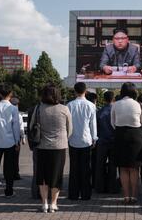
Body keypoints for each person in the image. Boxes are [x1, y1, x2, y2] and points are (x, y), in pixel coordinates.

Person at [31, 84, 72, 213]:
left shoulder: (38, 108)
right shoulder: (64, 109)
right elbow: (69, 129)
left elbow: (32, 126)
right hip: (59, 147)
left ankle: (44, 204)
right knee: (56, 175)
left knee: (42, 176)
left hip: (42, 146)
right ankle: (54, 203)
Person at [111, 82, 142, 204]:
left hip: (120, 135)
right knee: (134, 168)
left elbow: (112, 122)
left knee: (123, 168)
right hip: (136, 136)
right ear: (134, 92)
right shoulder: (139, 105)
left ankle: (126, 196)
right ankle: (134, 196)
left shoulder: (115, 104)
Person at [0, 84, 20, 197]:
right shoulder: (13, 108)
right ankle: (9, 190)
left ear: (0, 94)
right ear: (10, 94)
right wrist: (17, 142)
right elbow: (15, 127)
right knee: (9, 168)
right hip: (10, 142)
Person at [67, 82, 98, 200]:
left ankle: (73, 194)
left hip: (73, 140)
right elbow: (93, 124)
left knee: (74, 168)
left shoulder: (69, 105)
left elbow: (68, 124)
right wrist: (94, 138)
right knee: (86, 169)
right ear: (85, 91)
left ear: (75, 91)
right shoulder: (91, 105)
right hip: (86, 140)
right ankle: (86, 194)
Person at [95, 91, 118, 193]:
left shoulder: (99, 112)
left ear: (104, 99)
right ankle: (112, 187)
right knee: (113, 165)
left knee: (100, 165)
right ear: (113, 99)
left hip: (102, 141)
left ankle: (100, 187)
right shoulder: (116, 111)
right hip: (114, 142)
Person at [10, 97, 26, 180]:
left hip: (8, 137)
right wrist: (23, 138)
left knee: (8, 157)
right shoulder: (18, 115)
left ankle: (8, 173)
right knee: (16, 157)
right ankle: (15, 173)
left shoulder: (7, 113)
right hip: (16, 138)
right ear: (17, 105)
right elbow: (21, 128)